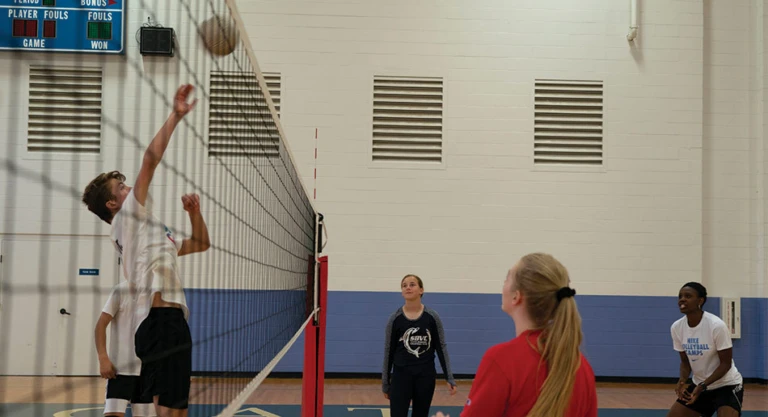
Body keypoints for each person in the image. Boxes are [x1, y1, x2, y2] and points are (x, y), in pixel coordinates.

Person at [82, 84, 210, 417]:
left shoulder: (150, 231)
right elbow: (150, 161)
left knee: (175, 411)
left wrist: (194, 214)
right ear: (113, 204)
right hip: (158, 321)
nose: (130, 188)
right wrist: (176, 116)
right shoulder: (127, 217)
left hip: (173, 320)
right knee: (166, 410)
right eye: (122, 187)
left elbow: (200, 244)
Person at [433, 252, 598, 417]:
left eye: (507, 278)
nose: (503, 284)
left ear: (516, 297)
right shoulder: (581, 366)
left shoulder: (501, 360)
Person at [382, 274, 458, 417]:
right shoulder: (395, 319)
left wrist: (449, 377)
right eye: (404, 285)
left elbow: (441, 348)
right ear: (401, 292)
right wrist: (385, 382)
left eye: (412, 284)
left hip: (425, 377)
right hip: (401, 377)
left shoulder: (432, 317)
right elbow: (388, 351)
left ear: (421, 290)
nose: (408, 288)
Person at [666, 282, 744, 417]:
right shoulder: (677, 327)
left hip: (726, 385)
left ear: (700, 301)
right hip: (700, 385)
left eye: (688, 296)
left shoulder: (716, 325)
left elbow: (725, 364)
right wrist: (682, 381)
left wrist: (702, 386)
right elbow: (685, 362)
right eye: (680, 296)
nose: (682, 299)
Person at [95, 280, 156, 417]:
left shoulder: (158, 293)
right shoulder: (121, 290)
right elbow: (100, 325)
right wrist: (103, 358)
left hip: (148, 372)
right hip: (119, 371)